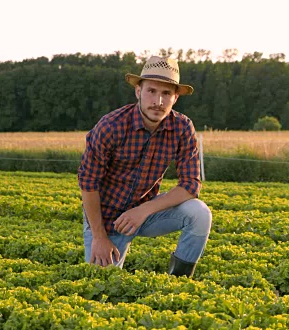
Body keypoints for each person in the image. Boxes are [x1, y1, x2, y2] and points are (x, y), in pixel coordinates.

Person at [77, 56, 211, 277]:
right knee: (102, 283)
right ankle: (103, 244)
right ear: (138, 91)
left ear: (175, 98)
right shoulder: (111, 126)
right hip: (107, 219)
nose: (158, 101)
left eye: (166, 93)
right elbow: (88, 184)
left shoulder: (182, 127)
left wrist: (143, 211)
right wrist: (99, 237)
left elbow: (190, 185)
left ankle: (179, 282)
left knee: (199, 214)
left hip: (147, 212)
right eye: (151, 91)